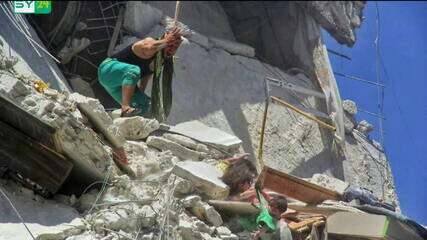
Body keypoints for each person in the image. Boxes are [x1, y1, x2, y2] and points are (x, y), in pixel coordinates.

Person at [98, 27, 183, 117]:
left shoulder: (160, 61)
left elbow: (145, 77)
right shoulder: (150, 42)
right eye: (170, 45)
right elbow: (150, 47)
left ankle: (132, 123)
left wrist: (140, 94)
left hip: (117, 85)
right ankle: (125, 107)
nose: (172, 48)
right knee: (134, 70)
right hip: (107, 70)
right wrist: (166, 41)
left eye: (175, 47)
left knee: (146, 105)